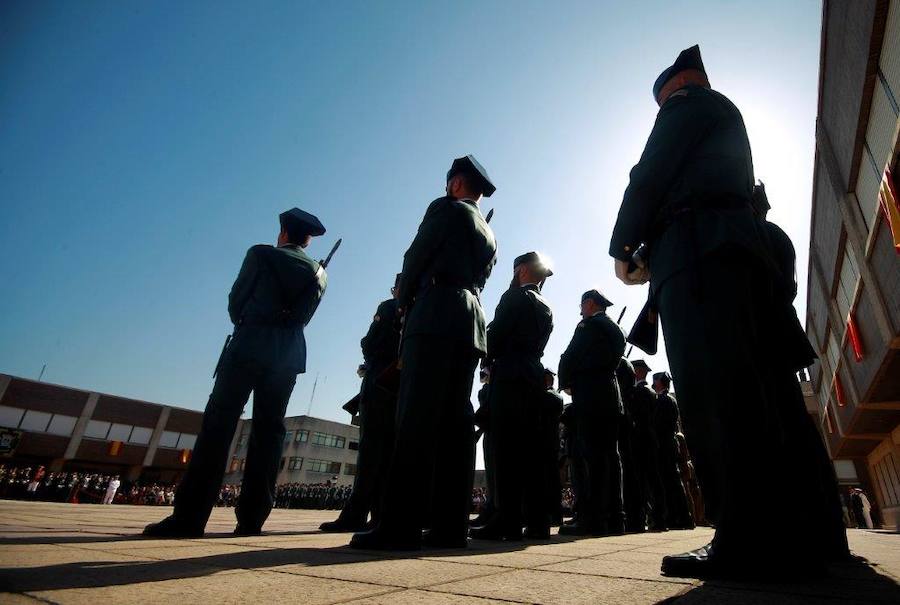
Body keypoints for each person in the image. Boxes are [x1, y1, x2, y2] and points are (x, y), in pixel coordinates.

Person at [609, 45, 848, 577]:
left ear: (673, 88)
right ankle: (817, 534)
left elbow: (648, 175)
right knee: (772, 400)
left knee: (716, 393)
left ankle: (745, 537)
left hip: (700, 258)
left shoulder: (685, 107)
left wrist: (623, 246)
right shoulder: (725, 120)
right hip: (736, 257)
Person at [144, 207, 328, 538]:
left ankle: (190, 517)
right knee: (269, 433)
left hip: (249, 345)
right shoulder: (320, 273)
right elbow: (305, 317)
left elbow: (236, 301)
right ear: (308, 241)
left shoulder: (261, 255)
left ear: (283, 233)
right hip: (287, 355)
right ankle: (252, 519)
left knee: (219, 425)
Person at [350, 155, 498, 550]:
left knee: (414, 418)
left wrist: (403, 302)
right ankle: (451, 526)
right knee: (456, 425)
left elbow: (415, 256)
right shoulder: (489, 232)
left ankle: (399, 524)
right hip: (470, 322)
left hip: (433, 313)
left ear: (454, 185)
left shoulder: (445, 208)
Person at [470, 252, 554, 541]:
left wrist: (483, 357)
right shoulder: (546, 306)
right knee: (530, 452)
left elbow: (496, 336)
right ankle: (537, 522)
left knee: (505, 449)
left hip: (509, 373)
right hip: (532, 374)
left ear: (520, 271)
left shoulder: (514, 298)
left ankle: (506, 520)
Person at [320, 275, 402, 532]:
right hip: (400, 385)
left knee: (370, 452)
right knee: (389, 454)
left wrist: (369, 356)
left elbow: (370, 342)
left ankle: (355, 514)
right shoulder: (419, 308)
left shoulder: (389, 306)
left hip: (379, 379)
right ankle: (379, 514)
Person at [558, 290, 626, 536]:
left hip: (590, 394)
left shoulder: (588, 325)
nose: (580, 310)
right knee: (610, 457)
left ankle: (594, 518)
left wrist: (565, 380)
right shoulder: (614, 328)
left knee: (592, 457)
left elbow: (571, 354)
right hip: (609, 395)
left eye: (581, 305)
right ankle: (615, 517)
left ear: (589, 304)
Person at [651, 372, 694, 530]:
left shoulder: (663, 401)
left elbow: (659, 425)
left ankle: (680, 518)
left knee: (671, 483)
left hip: (665, 446)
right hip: (669, 445)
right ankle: (682, 518)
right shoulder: (669, 400)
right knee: (673, 483)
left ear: (660, 382)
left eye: (654, 381)